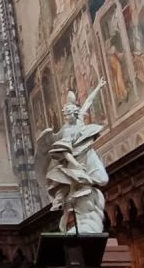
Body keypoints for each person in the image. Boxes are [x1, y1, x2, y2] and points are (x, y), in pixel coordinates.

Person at [41, 83, 110, 234]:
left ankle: (85, 220)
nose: (67, 117)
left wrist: (98, 87)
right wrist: (76, 166)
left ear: (74, 113)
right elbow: (64, 152)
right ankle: (61, 202)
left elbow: (88, 103)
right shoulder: (65, 131)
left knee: (97, 180)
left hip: (83, 155)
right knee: (67, 184)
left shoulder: (79, 121)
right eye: (65, 115)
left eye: (69, 114)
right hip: (72, 162)